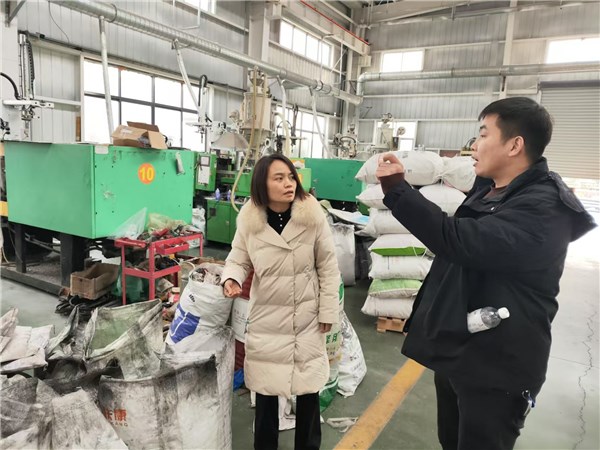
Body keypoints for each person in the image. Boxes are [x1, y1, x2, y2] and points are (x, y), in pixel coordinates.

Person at [375, 97, 596, 450]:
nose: (474, 146)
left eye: (483, 134)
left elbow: (458, 240)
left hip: (498, 367)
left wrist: (398, 191)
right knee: (451, 441)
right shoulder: (491, 190)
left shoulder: (543, 207)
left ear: (514, 145)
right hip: (463, 351)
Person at [221, 154, 340, 450]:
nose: (289, 183)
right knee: (266, 392)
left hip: (306, 318)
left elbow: (328, 266)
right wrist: (231, 278)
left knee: (308, 391)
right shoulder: (250, 220)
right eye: (279, 178)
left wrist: (327, 310)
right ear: (262, 184)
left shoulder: (312, 217)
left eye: (290, 177)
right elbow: (238, 257)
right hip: (268, 319)